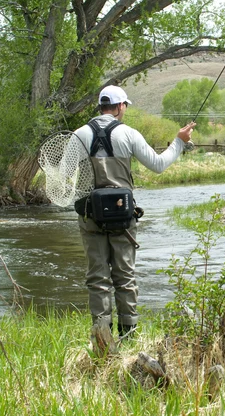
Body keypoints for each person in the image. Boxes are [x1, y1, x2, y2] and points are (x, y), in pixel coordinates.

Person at [73, 85, 195, 340]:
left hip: (89, 217)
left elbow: (63, 176)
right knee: (124, 276)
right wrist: (179, 142)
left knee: (97, 277)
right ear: (119, 107)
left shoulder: (78, 135)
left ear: (101, 106)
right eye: (125, 106)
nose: (125, 110)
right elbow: (159, 165)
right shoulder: (128, 134)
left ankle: (101, 337)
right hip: (122, 217)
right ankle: (128, 336)